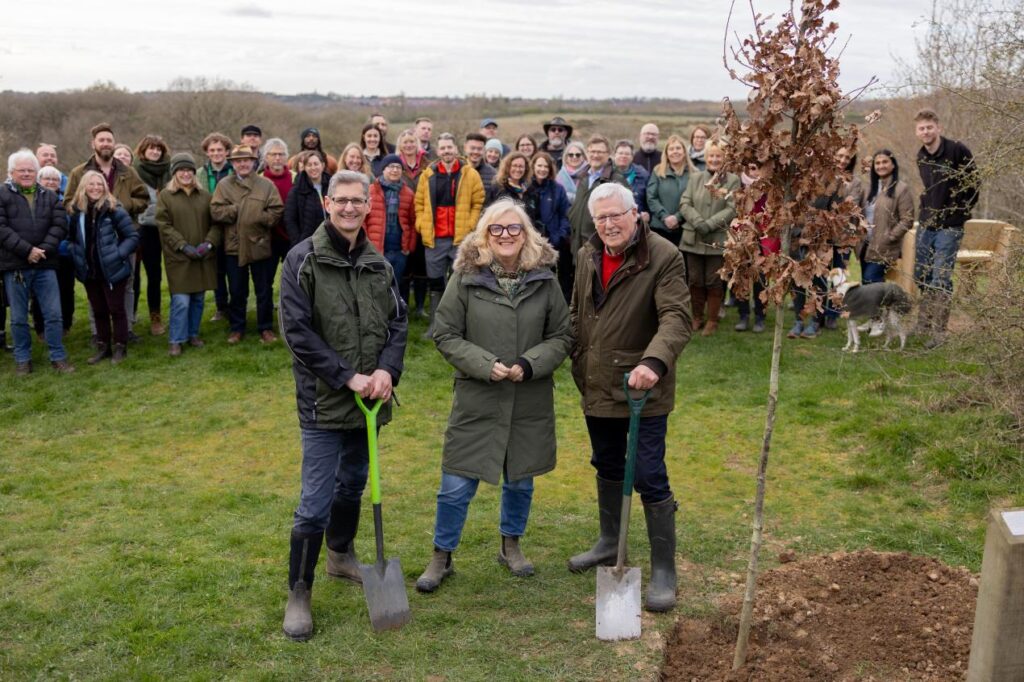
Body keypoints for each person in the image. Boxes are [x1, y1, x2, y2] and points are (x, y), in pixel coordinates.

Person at [416, 198, 571, 592]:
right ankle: (441, 555)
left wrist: (531, 362)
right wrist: (484, 364)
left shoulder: (545, 278)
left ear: (526, 235)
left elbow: (563, 335)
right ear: (485, 235)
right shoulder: (466, 278)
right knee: (456, 483)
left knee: (520, 479)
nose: (505, 236)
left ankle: (511, 545)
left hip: (528, 398)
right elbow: (446, 333)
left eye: (513, 229)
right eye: (497, 229)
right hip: (478, 397)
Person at [278, 169, 408, 642]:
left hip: (370, 400)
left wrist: (386, 371)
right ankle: (299, 591)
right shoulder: (303, 260)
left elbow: (398, 323)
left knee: (353, 483)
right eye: (342, 200)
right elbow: (297, 333)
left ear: (368, 204)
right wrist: (345, 375)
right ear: (327, 202)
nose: (351, 208)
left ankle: (339, 554)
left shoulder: (380, 264)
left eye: (359, 201)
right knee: (314, 501)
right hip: (324, 402)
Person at [567, 182, 691, 613]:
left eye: (615, 215)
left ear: (635, 213)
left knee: (648, 472)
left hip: (641, 389)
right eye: (599, 218)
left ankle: (663, 569)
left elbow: (676, 317)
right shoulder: (587, 255)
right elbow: (578, 312)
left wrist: (653, 363)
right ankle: (607, 542)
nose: (607, 224)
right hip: (597, 382)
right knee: (606, 462)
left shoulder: (663, 256)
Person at [0, 149, 73, 374]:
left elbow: (59, 226)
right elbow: (1, 228)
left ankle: (58, 356)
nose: (26, 174)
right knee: (19, 318)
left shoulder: (50, 196)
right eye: (21, 170)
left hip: (45, 264)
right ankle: (23, 359)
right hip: (16, 266)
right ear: (11, 172)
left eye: (30, 170)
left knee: (53, 314)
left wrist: (42, 250)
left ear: (37, 171)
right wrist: (27, 251)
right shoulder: (2, 194)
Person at [913, 108, 979, 348]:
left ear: (938, 127)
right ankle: (923, 323)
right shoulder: (921, 156)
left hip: (950, 225)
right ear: (917, 132)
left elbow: (974, 182)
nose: (926, 131)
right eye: (922, 128)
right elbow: (930, 189)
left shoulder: (957, 150)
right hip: (928, 223)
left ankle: (939, 332)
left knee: (941, 276)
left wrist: (960, 211)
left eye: (930, 127)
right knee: (922, 273)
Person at [210, 144, 284, 344]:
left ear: (253, 162)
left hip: (259, 244)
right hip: (234, 246)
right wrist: (237, 210)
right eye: (238, 161)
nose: (242, 164)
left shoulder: (265, 184)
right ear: (232, 164)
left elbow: (276, 210)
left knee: (264, 289)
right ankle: (237, 328)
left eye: (246, 160)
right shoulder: (224, 185)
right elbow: (216, 211)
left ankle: (265, 328)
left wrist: (258, 217)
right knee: (236, 290)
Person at [414, 133, 485, 339]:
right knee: (435, 282)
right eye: (443, 148)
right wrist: (421, 224)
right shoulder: (428, 174)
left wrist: (471, 226)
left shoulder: (469, 173)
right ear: (438, 151)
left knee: (461, 282)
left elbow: (478, 202)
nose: (446, 151)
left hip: (460, 239)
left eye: (449, 147)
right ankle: (435, 325)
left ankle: (461, 327)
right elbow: (419, 204)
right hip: (434, 239)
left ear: (456, 149)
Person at [66, 170, 139, 365]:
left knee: (116, 309)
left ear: (105, 188)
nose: (96, 188)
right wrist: (76, 255)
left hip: (113, 270)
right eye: (91, 184)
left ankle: (120, 347)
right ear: (84, 187)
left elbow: (132, 237)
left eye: (99, 184)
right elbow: (71, 239)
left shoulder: (114, 209)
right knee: (98, 310)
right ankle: (103, 346)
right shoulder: (76, 212)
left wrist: (117, 255)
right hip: (90, 271)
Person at [156, 153, 219, 356]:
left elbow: (216, 224)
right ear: (175, 173)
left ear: (194, 173)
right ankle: (176, 339)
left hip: (202, 256)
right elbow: (163, 226)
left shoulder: (205, 197)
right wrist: (182, 246)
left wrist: (208, 244)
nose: (186, 173)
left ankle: (192, 334)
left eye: (189, 170)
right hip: (179, 257)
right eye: (181, 170)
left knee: (199, 299)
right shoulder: (166, 196)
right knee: (181, 301)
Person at [679, 141, 740, 336]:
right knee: (695, 280)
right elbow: (685, 202)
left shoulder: (732, 180)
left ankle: (712, 320)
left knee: (713, 281)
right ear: (706, 157)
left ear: (725, 158)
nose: (714, 159)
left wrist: (710, 223)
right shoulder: (695, 178)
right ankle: (697, 317)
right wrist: (698, 221)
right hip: (694, 237)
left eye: (718, 156)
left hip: (717, 239)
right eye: (711, 156)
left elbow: (732, 208)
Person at [132, 134, 171, 336]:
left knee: (156, 276)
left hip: (165, 228)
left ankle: (156, 315)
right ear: (143, 150)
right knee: (136, 275)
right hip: (142, 229)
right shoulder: (134, 172)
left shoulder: (169, 172)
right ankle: (132, 313)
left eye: (159, 149)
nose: (155, 152)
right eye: (151, 148)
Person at [32, 162, 75, 338]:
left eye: (55, 179)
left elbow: (71, 228)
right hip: (40, 253)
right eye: (47, 178)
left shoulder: (67, 202)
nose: (51, 182)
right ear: (39, 180)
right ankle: (40, 327)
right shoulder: (32, 200)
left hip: (63, 253)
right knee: (39, 292)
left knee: (66, 290)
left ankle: (65, 324)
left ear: (60, 182)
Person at [568, 135, 628, 259]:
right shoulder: (583, 177)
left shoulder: (615, 180)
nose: (595, 155)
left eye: (600, 152)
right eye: (592, 151)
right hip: (578, 245)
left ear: (608, 154)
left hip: (600, 248)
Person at [733, 163, 777, 333]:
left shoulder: (769, 190)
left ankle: (760, 316)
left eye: (758, 168)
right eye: (751, 168)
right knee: (742, 277)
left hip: (764, 238)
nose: (754, 172)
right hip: (743, 237)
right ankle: (743, 314)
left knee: (760, 279)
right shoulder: (740, 188)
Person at [861, 150, 914, 285]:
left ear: (893, 165)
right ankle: (880, 306)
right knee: (867, 284)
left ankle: (881, 306)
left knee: (870, 279)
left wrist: (890, 236)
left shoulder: (901, 189)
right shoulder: (868, 189)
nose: (881, 166)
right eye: (877, 163)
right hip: (865, 246)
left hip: (885, 247)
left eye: (885, 162)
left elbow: (907, 219)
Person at [366, 154, 417, 296]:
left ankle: (395, 315)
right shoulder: (371, 191)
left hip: (400, 250)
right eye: (391, 167)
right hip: (376, 248)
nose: (394, 170)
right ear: (383, 169)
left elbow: (413, 222)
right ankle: (377, 315)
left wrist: (409, 247)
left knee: (396, 284)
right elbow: (363, 220)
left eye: (398, 167)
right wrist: (366, 243)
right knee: (377, 285)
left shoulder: (408, 193)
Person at [196, 132, 234, 322]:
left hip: (232, 227)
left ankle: (236, 307)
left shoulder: (234, 171)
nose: (216, 153)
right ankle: (221, 307)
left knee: (234, 269)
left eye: (220, 149)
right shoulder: (200, 173)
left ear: (227, 151)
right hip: (210, 227)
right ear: (207, 153)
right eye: (212, 150)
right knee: (217, 271)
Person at [527, 152, 572, 300]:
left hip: (552, 242)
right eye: (539, 165)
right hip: (530, 244)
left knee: (552, 281)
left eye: (546, 166)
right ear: (533, 166)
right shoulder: (526, 188)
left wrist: (558, 236)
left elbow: (566, 215)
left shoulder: (558, 189)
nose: (542, 169)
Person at [396, 128, 430, 317]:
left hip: (424, 221)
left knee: (421, 265)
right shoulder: (395, 165)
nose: (408, 145)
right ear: (400, 145)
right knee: (404, 266)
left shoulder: (427, 164)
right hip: (403, 222)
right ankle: (403, 306)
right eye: (405, 142)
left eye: (411, 141)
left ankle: (419, 306)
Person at [259, 138, 295, 288]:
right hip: (268, 237)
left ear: (286, 157)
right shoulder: (259, 179)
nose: (277, 158)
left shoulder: (295, 177)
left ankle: (288, 309)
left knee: (292, 280)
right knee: (266, 281)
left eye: (281, 154)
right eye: (273, 154)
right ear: (266, 157)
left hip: (291, 237)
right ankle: (266, 310)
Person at [646, 134, 690, 247]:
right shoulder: (657, 171)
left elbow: (694, 201)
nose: (675, 152)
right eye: (671, 149)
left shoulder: (694, 174)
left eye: (678, 148)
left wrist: (678, 217)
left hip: (684, 229)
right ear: (666, 153)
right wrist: (664, 216)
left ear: (684, 151)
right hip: (659, 228)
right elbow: (651, 197)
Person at [284, 150, 330, 246]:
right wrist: (298, 242)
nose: (313, 168)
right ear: (304, 167)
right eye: (309, 165)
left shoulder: (332, 186)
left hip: (331, 241)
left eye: (316, 164)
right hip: (307, 243)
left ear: (323, 165)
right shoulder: (296, 190)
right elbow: (289, 219)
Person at [612, 140, 651, 225]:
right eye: (620, 153)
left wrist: (647, 213)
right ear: (615, 155)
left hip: (637, 222)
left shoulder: (643, 175)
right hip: (613, 222)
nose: (623, 156)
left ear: (632, 157)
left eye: (627, 154)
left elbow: (649, 199)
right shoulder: (606, 174)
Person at [464, 133, 497, 201]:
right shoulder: (456, 170)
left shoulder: (493, 174)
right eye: (472, 148)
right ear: (465, 148)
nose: (476, 152)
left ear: (484, 150)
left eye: (479, 149)